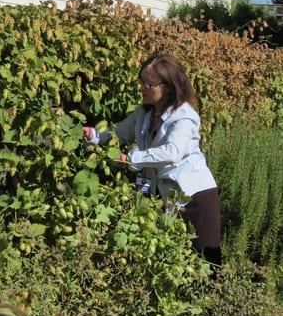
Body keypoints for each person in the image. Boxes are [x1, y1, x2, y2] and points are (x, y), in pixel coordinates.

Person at [84, 53, 221, 266]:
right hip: (164, 197)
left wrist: (131, 157)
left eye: (148, 83)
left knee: (206, 264)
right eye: (141, 81)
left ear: (168, 86)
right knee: (168, 263)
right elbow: (117, 134)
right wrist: (92, 135)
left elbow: (172, 152)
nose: (142, 87)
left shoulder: (184, 116)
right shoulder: (143, 113)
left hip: (194, 197)